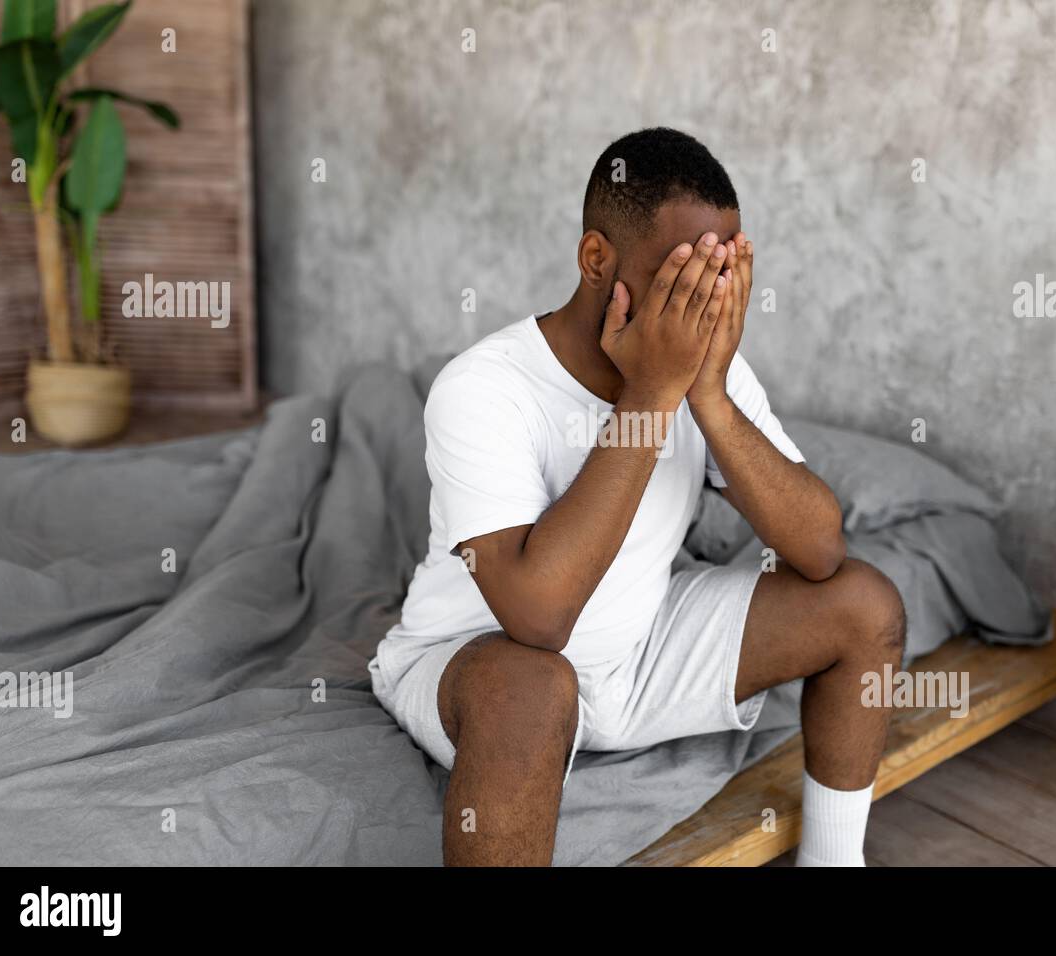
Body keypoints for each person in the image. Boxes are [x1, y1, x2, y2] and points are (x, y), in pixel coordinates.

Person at [370, 127, 905, 866]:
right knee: (532, 688)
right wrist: (652, 394)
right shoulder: (483, 386)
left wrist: (709, 395)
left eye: (720, 275)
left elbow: (819, 549)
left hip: (639, 652)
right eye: (681, 276)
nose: (703, 303)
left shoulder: (703, 364)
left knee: (865, 604)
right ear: (597, 260)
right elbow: (537, 617)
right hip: (478, 661)